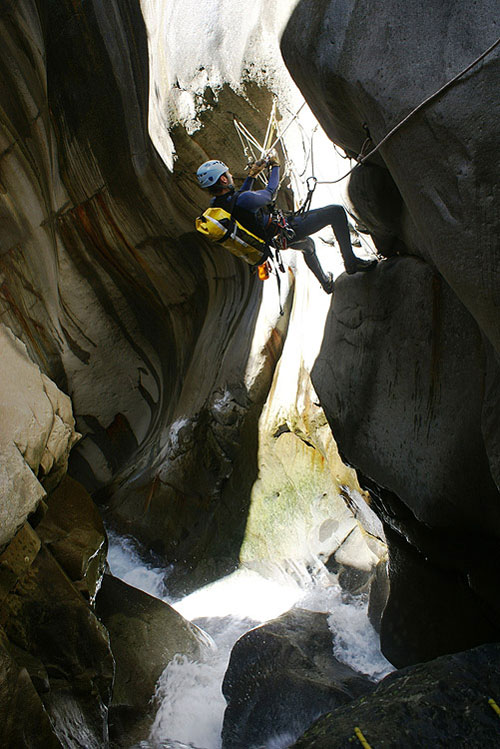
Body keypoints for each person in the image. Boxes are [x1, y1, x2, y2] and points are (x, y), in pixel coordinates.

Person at [196, 157, 376, 294]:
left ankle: (325, 282)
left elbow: (238, 200)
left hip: (274, 240)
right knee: (335, 212)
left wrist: (251, 176)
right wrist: (276, 166)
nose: (230, 175)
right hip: (286, 230)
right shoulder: (244, 200)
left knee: (308, 246)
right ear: (224, 180)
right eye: (227, 174)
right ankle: (351, 262)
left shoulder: (217, 205)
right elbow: (270, 193)